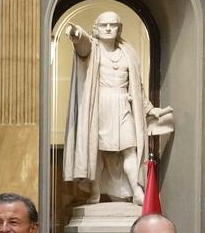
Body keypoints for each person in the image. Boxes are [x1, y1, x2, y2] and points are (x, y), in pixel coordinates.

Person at [62, 11, 169, 205]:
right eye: (104, 25)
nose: (109, 28)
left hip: (123, 105)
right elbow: (82, 45)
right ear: (96, 29)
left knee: (130, 149)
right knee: (97, 151)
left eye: (113, 24)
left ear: (119, 28)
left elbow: (137, 87)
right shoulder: (93, 50)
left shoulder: (128, 52)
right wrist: (76, 35)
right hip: (100, 106)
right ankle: (94, 191)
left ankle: (136, 191)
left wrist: (149, 109)